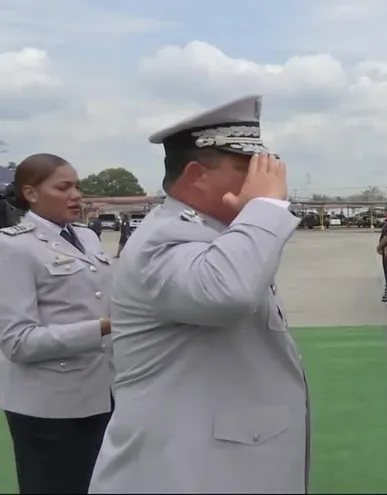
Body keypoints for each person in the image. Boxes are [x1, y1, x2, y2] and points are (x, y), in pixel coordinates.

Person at [88, 95, 309, 493]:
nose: (267, 180)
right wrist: (265, 207)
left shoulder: (213, 232)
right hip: (185, 472)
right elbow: (229, 294)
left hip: (220, 465)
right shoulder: (165, 238)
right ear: (197, 175)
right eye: (248, 168)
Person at [0, 153, 114, 494]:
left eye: (77, 186)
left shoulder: (88, 238)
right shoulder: (12, 247)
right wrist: (103, 327)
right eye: (63, 187)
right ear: (31, 193)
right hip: (49, 406)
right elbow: (17, 342)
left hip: (102, 394)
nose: (76, 195)